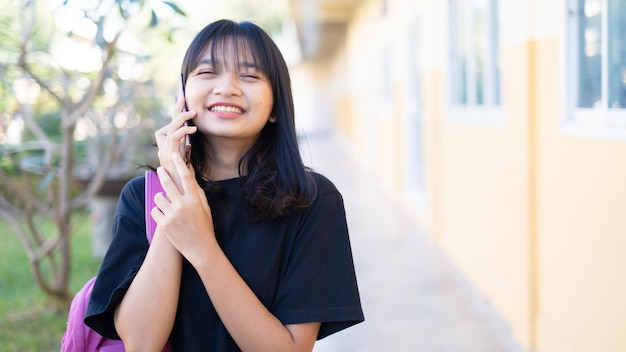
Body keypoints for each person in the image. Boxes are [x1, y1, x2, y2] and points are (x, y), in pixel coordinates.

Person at [84, 19, 364, 351]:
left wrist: (202, 247)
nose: (227, 87)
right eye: (207, 72)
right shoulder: (142, 197)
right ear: (182, 94)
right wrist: (175, 183)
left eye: (249, 75)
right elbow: (142, 343)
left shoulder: (313, 199)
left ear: (276, 105)